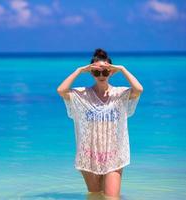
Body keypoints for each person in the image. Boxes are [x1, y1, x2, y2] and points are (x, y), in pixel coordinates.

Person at [56, 48, 143, 199]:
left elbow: (139, 89)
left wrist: (122, 69)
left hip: (113, 155)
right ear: (92, 73)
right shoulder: (83, 94)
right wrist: (80, 70)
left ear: (111, 72)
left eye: (105, 71)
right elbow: (61, 90)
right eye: (96, 72)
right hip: (89, 155)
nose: (101, 75)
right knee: (95, 196)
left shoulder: (120, 94)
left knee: (111, 197)